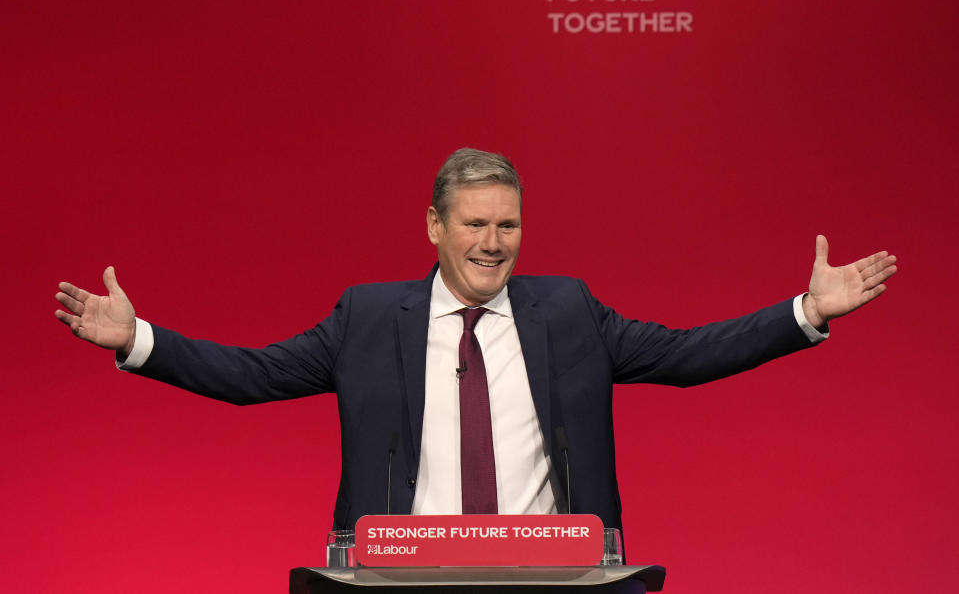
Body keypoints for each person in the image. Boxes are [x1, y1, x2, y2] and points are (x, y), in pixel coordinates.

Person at [54, 148, 897, 533]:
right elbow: (254, 375)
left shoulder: (566, 310)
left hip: (552, 571)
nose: (493, 243)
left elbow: (683, 355)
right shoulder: (365, 315)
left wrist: (803, 313)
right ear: (433, 226)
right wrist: (140, 341)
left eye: (509, 224)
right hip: (402, 573)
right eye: (474, 224)